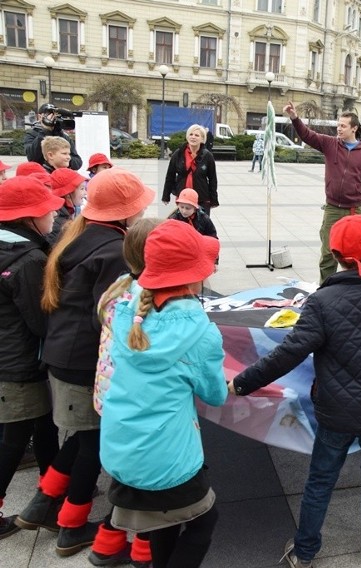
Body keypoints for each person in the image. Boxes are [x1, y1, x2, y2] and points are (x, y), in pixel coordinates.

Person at [228, 214, 361, 568]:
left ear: (335, 254)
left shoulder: (322, 303)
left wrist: (243, 381)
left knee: (321, 479)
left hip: (335, 411)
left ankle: (305, 551)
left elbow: (287, 354)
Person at [14, 168, 155, 558]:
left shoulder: (81, 233)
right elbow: (111, 314)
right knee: (93, 443)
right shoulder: (113, 251)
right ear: (125, 212)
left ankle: (43, 504)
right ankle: (72, 527)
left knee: (80, 438)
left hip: (63, 354)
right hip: (83, 361)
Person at [100, 219, 225, 568]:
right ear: (195, 274)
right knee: (204, 522)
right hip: (167, 460)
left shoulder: (127, 313)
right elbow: (215, 395)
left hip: (122, 449)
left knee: (162, 525)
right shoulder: (201, 334)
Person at [88, 218, 161, 568]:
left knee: (125, 475)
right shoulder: (154, 305)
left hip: (110, 399)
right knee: (147, 481)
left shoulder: (118, 287)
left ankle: (106, 543)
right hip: (139, 406)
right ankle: (143, 550)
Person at [0, 177, 63, 539]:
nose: (53, 217)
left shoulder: (12, 248)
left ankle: (52, 495)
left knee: (43, 427)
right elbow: (41, 320)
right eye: (47, 211)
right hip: (19, 362)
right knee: (14, 438)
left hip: (10, 355)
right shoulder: (29, 260)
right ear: (28, 218)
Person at [282, 101, 361, 283]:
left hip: (355, 210)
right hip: (333, 209)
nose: (339, 129)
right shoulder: (330, 144)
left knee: (357, 252)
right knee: (328, 253)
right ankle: (326, 288)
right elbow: (307, 135)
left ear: (354, 128)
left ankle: (355, 286)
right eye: (338, 125)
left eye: (343, 126)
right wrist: (294, 117)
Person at [162, 124, 218, 212]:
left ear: (202, 139)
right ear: (187, 137)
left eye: (197, 135)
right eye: (191, 134)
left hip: (202, 198)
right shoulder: (178, 154)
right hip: (183, 198)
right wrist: (166, 196)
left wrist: (214, 200)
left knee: (201, 225)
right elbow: (170, 175)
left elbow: (213, 179)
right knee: (183, 225)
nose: (193, 137)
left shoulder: (208, 156)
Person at [24, 103, 83, 171]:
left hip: (62, 175)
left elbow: (78, 162)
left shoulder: (64, 136)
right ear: (40, 117)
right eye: (49, 114)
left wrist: (62, 159)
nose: (53, 118)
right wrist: (45, 130)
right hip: (42, 175)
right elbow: (32, 158)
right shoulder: (32, 134)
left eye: (55, 115)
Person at [47, 167, 87, 243]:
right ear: (68, 194)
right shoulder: (59, 222)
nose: (86, 193)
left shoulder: (66, 213)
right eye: (82, 189)